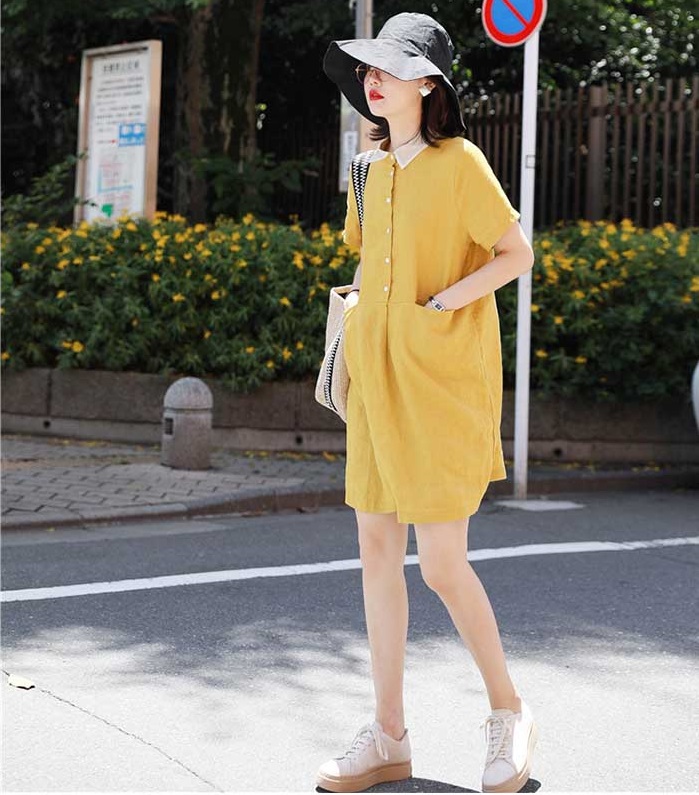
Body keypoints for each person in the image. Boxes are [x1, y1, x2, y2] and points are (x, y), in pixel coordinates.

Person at [318, 12, 537, 794]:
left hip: (441, 381)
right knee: (376, 553)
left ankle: (508, 711)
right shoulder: (366, 169)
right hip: (375, 381)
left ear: (427, 85)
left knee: (442, 565)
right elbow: (370, 259)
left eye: (389, 68)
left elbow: (515, 253)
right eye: (367, 69)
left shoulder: (460, 162)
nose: (372, 80)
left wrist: (442, 304)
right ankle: (389, 734)